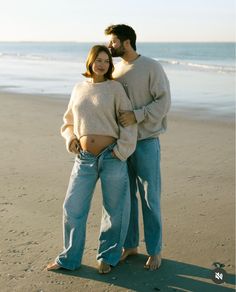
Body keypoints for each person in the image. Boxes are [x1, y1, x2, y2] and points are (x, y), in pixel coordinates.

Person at [46, 45, 137, 274]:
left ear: (110, 65)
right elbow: (68, 122)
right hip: (84, 158)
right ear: (90, 61)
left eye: (106, 60)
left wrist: (121, 151)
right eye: (98, 59)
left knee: (114, 211)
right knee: (73, 206)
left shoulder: (115, 88)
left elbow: (128, 122)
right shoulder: (79, 88)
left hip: (112, 157)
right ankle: (69, 258)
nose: (102, 64)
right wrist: (70, 138)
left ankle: (108, 256)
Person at [105, 24, 171, 271]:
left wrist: (138, 115)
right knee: (127, 199)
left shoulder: (151, 66)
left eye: (112, 42)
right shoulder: (116, 69)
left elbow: (164, 102)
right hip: (122, 144)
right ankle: (130, 246)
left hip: (146, 142)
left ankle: (155, 250)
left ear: (126, 42)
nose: (109, 46)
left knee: (150, 198)